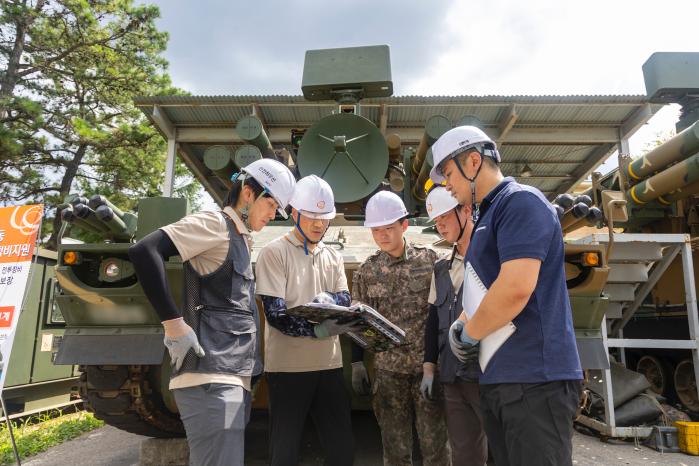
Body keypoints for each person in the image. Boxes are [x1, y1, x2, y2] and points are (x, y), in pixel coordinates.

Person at [430, 125, 583, 466]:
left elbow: (515, 288)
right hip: (501, 377)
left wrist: (469, 333)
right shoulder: (488, 214)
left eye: (449, 174)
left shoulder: (520, 202)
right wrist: (463, 322)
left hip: (535, 379)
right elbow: (484, 288)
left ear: (473, 161)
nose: (447, 185)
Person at [128, 159, 296, 466]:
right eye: (270, 205)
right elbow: (144, 251)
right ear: (248, 193)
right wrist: (174, 325)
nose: (273, 215)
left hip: (229, 378)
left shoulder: (240, 237)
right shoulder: (215, 224)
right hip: (210, 380)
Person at [254, 175, 358, 466]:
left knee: (342, 451)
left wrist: (332, 309)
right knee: (284, 452)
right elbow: (275, 314)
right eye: (311, 217)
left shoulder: (332, 256)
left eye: (324, 218)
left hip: (329, 366)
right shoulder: (274, 253)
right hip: (288, 369)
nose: (318, 224)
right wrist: (320, 329)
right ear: (295, 213)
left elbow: (344, 301)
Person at [352, 190, 449, 466]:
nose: (382, 235)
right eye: (376, 230)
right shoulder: (366, 271)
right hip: (388, 372)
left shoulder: (430, 261)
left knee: (436, 448)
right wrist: (358, 362)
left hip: (426, 369)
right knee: (395, 450)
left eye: (389, 228)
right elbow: (359, 321)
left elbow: (442, 313)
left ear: (404, 226)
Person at [422, 185, 487, 466]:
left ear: (467, 211)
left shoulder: (491, 258)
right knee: (463, 452)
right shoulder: (441, 268)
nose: (440, 226)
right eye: (436, 221)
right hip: (451, 374)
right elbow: (433, 320)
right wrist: (429, 367)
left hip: (487, 372)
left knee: (505, 447)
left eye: (445, 218)